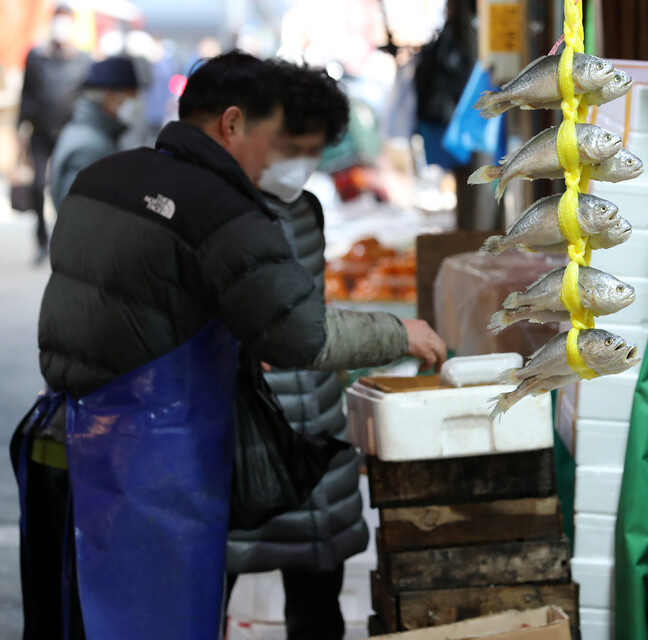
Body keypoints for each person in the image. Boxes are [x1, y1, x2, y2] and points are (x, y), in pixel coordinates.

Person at [14, 50, 445, 640]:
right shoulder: (221, 210)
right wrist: (399, 333)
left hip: (74, 440)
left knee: (92, 610)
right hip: (166, 459)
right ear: (233, 123)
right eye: (273, 139)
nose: (274, 159)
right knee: (168, 616)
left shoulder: (103, 180)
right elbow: (301, 335)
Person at [224, 59, 413, 639]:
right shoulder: (216, 213)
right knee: (208, 598)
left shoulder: (307, 209)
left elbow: (311, 314)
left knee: (317, 611)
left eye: (311, 150)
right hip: (248, 443)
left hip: (316, 437)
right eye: (289, 146)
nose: (298, 164)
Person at [17, 4, 91, 262]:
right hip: (40, 133)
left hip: (69, 135)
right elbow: (26, 94)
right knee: (38, 186)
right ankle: (41, 239)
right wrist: (20, 129)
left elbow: (87, 98)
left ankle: (65, 238)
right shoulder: (37, 57)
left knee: (65, 188)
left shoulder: (83, 60)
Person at [49, 56, 141, 212]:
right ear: (110, 97)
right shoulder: (90, 148)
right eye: (131, 95)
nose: (137, 102)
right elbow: (77, 215)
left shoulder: (89, 133)